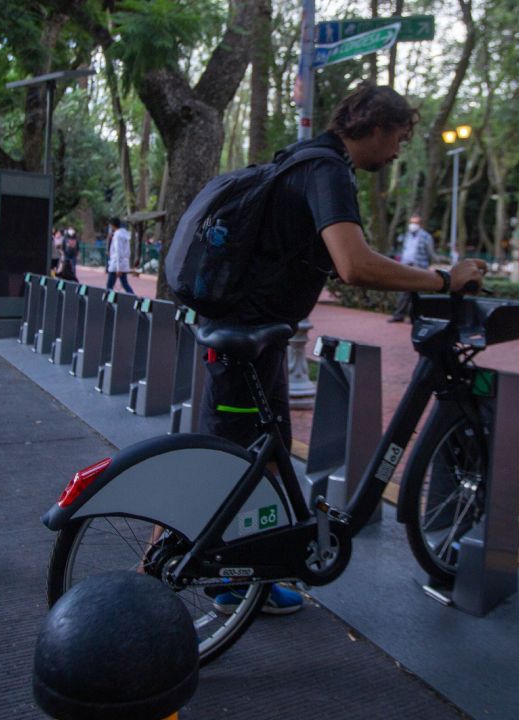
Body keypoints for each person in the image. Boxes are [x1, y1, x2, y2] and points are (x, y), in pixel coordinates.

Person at [198, 84, 487, 616]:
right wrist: (443, 280)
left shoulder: (309, 163)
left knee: (261, 455)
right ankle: (164, 580)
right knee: (227, 459)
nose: (399, 150)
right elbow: (355, 264)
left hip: (258, 330)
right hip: (249, 330)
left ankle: (244, 578)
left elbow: (350, 252)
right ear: (375, 127)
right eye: (399, 137)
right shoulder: (327, 170)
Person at [387, 214, 436, 322]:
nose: (413, 225)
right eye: (412, 222)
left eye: (415, 223)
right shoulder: (406, 236)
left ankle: (415, 317)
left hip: (419, 267)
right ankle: (398, 315)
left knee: (418, 293)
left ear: (420, 224)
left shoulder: (426, 237)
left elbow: (431, 254)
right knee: (404, 291)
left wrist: (431, 265)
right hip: (406, 266)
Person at [105, 217, 135, 293]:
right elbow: (127, 251)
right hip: (123, 263)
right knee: (125, 284)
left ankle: (108, 302)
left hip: (116, 264)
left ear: (113, 225)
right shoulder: (124, 234)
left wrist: (118, 268)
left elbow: (118, 251)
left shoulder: (117, 236)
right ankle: (133, 298)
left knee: (109, 286)